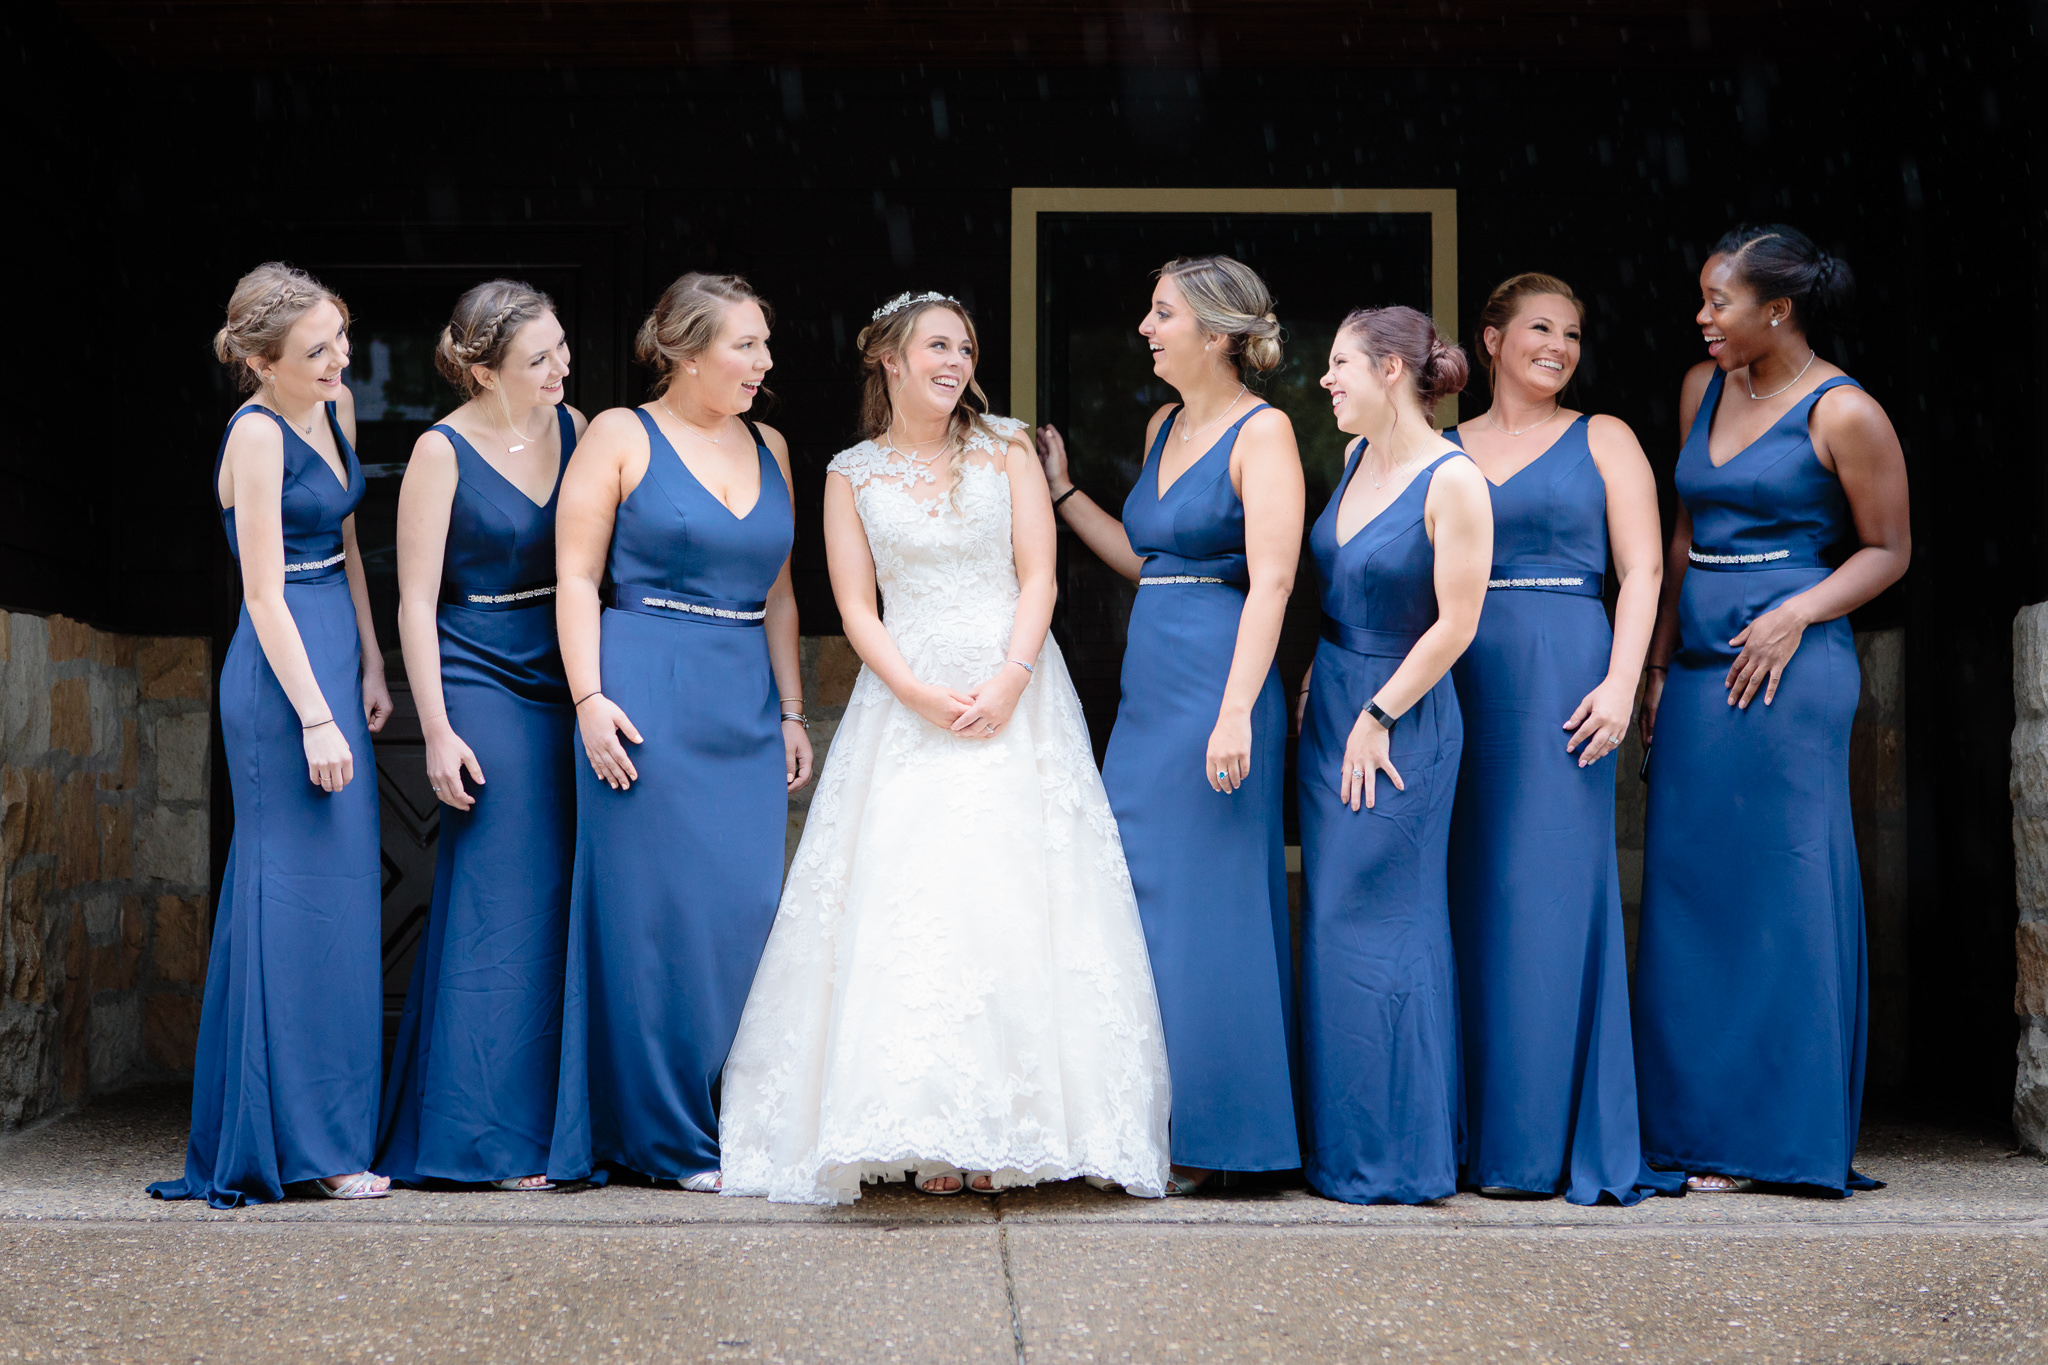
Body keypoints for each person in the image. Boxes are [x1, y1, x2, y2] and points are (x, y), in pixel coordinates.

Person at [719, 290, 1171, 1204]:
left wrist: (1010, 675)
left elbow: (1039, 572)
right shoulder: (850, 472)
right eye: (937, 346)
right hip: (908, 700)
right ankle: (924, 1120)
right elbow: (854, 606)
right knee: (913, 901)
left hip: (1018, 695)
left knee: (1017, 894)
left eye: (965, 347)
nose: (956, 361)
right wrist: (916, 691)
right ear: (889, 357)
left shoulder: (1005, 447)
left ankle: (1018, 1125)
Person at [1635, 225, 1909, 1195]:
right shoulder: (1695, 389)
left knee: (1780, 893)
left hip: (1791, 673)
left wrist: (1794, 610)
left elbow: (1886, 550)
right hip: (1701, 670)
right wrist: (1660, 665)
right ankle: (1689, 1130)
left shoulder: (1845, 413)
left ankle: (1773, 1140)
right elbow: (1679, 538)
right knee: (1689, 893)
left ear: (1777, 309)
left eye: (1718, 301)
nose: (1701, 318)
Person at [1035, 257, 1303, 1193]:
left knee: (1208, 906)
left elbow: (1271, 579)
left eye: (1162, 314)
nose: (1145, 329)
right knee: (1138, 893)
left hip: (1219, 687)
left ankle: (1221, 1132)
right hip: (1152, 692)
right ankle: (1143, 1114)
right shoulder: (1163, 425)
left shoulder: (1262, 433)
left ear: (1220, 333)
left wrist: (1235, 711)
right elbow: (1149, 561)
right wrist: (1066, 494)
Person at [546, 273, 810, 1191]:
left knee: (742, 914)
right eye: (747, 346)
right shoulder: (619, 433)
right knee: (656, 925)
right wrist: (589, 698)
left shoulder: (770, 441)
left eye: (763, 346)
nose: (763, 363)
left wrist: (790, 708)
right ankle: (664, 1139)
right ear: (688, 350)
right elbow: (576, 576)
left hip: (740, 700)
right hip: (643, 689)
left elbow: (780, 593)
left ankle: (732, 1114)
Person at [150, 263, 393, 1207]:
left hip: (336, 651)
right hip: (279, 676)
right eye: (317, 350)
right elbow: (263, 591)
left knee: (340, 904)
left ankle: (331, 1130)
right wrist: (317, 713)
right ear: (259, 359)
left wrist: (372, 664)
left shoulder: (337, 414)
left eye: (341, 339)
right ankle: (291, 1141)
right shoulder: (253, 437)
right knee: (288, 906)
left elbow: (345, 550)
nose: (340, 360)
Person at [1442, 273, 1674, 1204]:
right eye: (1540, 328)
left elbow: (1646, 565)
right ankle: (1462, 1133)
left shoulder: (1604, 436)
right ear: (1490, 339)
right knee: (1461, 893)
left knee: (1547, 897)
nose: (1560, 346)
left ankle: (1539, 1140)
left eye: (1574, 333)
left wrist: (1622, 680)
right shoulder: (1442, 445)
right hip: (1455, 676)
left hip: (1569, 674)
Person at [376, 280, 586, 1192]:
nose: (559, 367)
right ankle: (481, 1137)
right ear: (481, 366)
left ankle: (568, 1125)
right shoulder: (440, 451)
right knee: (502, 902)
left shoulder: (577, 428)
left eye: (561, 348)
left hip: (569, 667)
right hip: (480, 672)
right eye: (538, 358)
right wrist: (435, 729)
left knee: (568, 899)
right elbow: (414, 604)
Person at [1296, 305, 1490, 1204]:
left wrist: (1378, 711)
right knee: (1331, 920)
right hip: (1331, 699)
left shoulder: (1456, 481)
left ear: (1389, 371)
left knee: (1391, 926)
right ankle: (1341, 1147)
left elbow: (1457, 624)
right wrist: (1319, 684)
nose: (1326, 380)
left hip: (1399, 714)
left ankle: (1403, 1157)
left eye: (1339, 364)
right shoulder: (1351, 459)